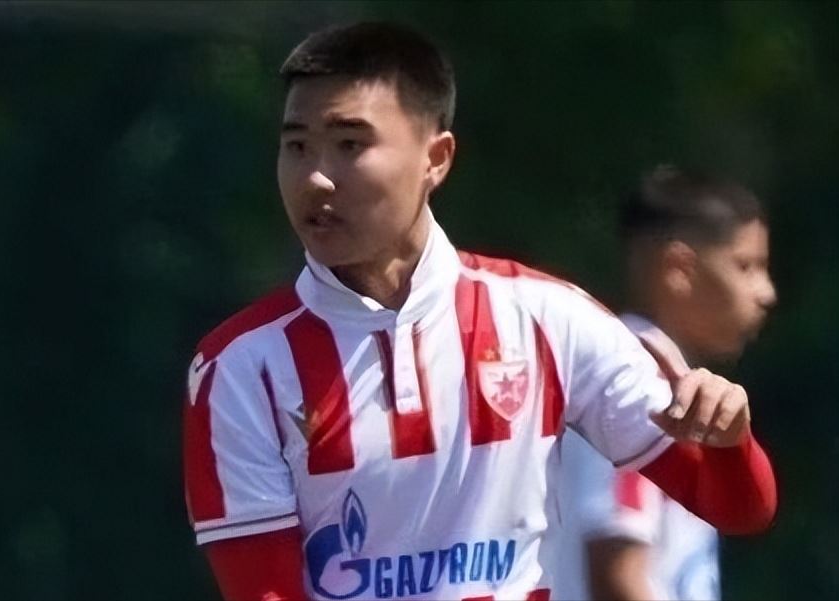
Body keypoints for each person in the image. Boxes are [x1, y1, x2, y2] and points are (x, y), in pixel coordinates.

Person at [182, 22, 776, 601]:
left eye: (349, 145)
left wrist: (730, 441)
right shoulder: (239, 369)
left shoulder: (549, 318)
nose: (315, 177)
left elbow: (739, 508)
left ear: (436, 158)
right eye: (296, 146)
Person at [553, 166, 778, 601]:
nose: (766, 292)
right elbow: (617, 572)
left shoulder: (658, 374)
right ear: (679, 269)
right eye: (746, 266)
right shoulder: (630, 382)